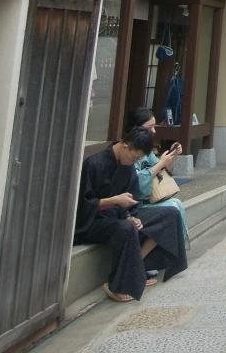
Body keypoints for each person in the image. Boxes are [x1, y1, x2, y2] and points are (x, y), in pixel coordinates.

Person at [74, 126, 188, 302]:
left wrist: (131, 216)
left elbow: (132, 200)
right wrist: (114, 201)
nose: (134, 161)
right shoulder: (94, 164)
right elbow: (82, 205)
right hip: (94, 220)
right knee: (126, 228)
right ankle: (118, 285)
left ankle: (137, 266)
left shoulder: (127, 166)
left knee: (171, 214)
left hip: (119, 214)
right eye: (134, 157)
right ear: (125, 145)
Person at [124, 107, 189, 246]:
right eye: (150, 127)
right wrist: (161, 163)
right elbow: (137, 181)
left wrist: (173, 155)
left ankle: (178, 247)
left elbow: (163, 170)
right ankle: (175, 247)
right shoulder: (128, 150)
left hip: (149, 199)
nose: (154, 131)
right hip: (134, 205)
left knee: (176, 204)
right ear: (137, 128)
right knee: (173, 208)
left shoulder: (146, 149)